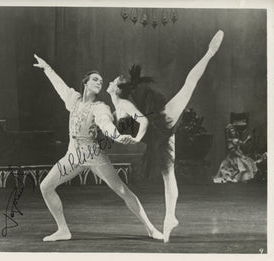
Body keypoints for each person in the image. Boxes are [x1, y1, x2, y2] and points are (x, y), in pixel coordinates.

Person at [106, 30, 224, 243]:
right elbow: (132, 125)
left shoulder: (122, 104)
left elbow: (142, 121)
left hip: (156, 129)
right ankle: (169, 217)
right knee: (168, 176)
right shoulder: (118, 106)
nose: (110, 81)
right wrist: (126, 135)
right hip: (157, 134)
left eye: (112, 81)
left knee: (188, 87)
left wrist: (134, 138)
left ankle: (210, 53)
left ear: (116, 89)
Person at [33, 54, 163, 241]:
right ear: (85, 83)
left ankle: (151, 228)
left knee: (122, 190)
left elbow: (107, 126)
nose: (99, 82)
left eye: (101, 81)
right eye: (95, 79)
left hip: (94, 155)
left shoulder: (100, 107)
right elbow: (60, 86)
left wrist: (119, 136)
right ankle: (63, 230)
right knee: (46, 186)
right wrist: (47, 68)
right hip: (73, 156)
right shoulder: (74, 100)